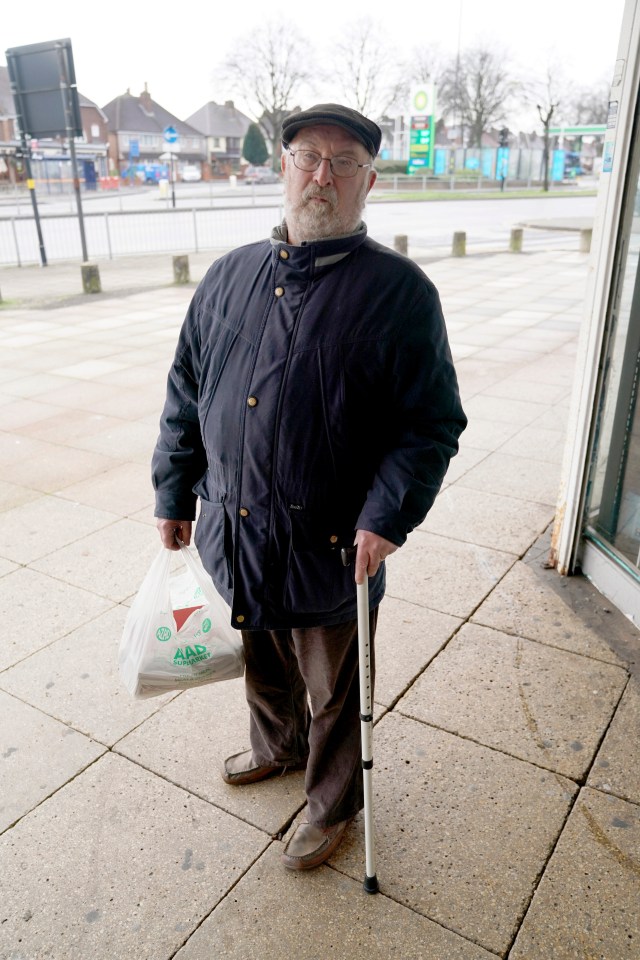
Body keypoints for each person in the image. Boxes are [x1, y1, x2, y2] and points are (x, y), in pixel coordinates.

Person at [152, 103, 466, 871]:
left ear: (368, 182)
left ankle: (331, 807)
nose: (322, 175)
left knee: (332, 689)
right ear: (282, 165)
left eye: (344, 162)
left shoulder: (400, 295)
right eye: (307, 156)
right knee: (261, 658)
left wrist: (388, 516)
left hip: (333, 542)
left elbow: (430, 424)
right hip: (237, 522)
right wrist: (173, 490)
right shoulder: (229, 276)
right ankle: (278, 748)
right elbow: (186, 390)